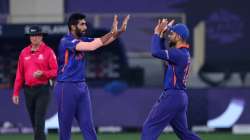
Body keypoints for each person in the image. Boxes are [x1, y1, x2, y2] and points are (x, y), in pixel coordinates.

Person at [54, 13, 130, 140]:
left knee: (88, 126)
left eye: (85, 24)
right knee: (65, 128)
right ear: (73, 26)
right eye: (82, 24)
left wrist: (119, 32)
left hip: (82, 87)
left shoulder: (82, 39)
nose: (85, 27)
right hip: (66, 87)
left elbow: (102, 42)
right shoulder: (66, 41)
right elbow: (93, 46)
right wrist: (111, 32)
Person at [141, 19, 202, 140]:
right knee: (184, 133)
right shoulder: (184, 53)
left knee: (149, 127)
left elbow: (155, 52)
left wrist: (156, 33)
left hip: (172, 96)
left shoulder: (178, 54)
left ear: (179, 37)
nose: (170, 36)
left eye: (172, 34)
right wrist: (163, 35)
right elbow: (163, 54)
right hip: (181, 97)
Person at [12, 25, 58, 140]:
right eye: (32, 36)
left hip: (43, 90)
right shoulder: (24, 52)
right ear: (29, 37)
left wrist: (43, 74)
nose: (34, 38)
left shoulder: (48, 52)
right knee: (35, 123)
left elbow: (56, 71)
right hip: (28, 91)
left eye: (37, 35)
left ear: (41, 37)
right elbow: (19, 74)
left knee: (39, 120)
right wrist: (16, 92)